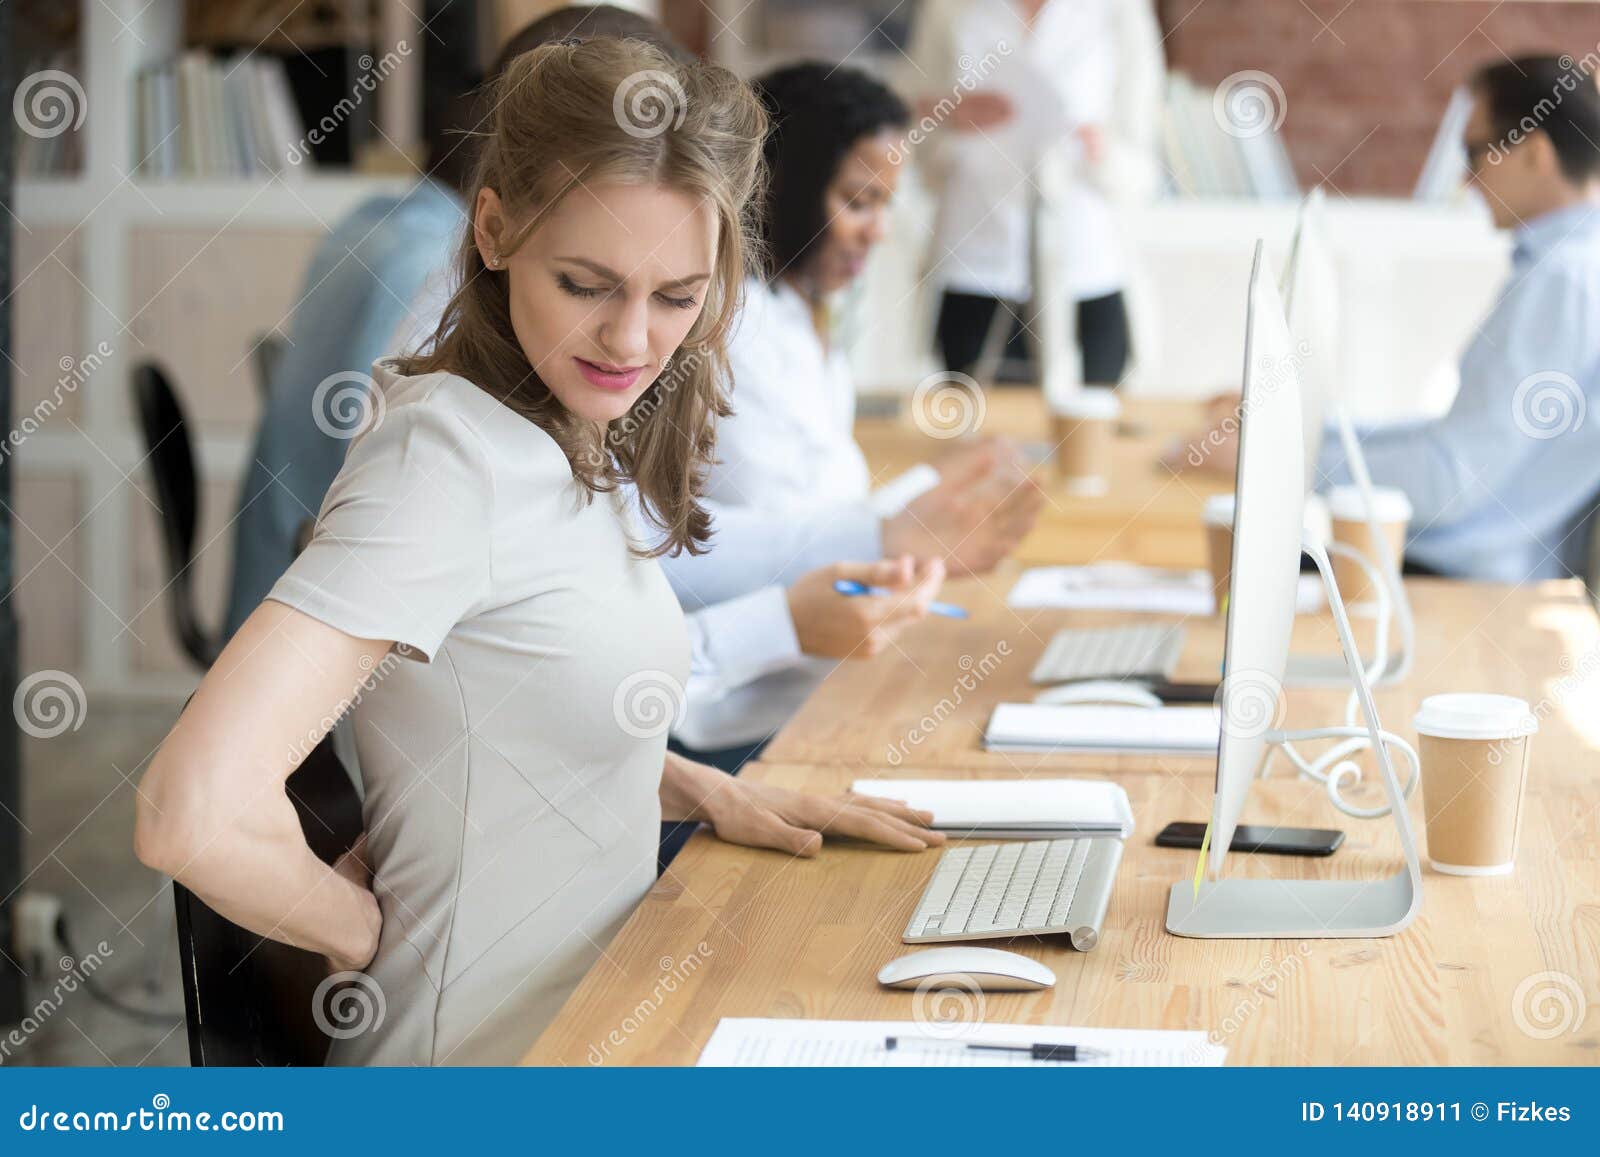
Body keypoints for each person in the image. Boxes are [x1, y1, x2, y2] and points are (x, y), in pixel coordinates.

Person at [134, 39, 944, 1067]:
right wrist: (359, 931)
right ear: (495, 229)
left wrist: (698, 785)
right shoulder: (445, 461)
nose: (631, 341)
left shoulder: (560, 431)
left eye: (675, 295)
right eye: (586, 283)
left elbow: (514, 710)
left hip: (597, 1020)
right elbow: (187, 811)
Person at [659, 62, 1046, 761]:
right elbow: (793, 538)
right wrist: (922, 508)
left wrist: (933, 489)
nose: (879, 231)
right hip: (735, 714)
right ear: (787, 188)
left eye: (886, 204)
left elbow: (834, 524)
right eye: (859, 201)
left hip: (810, 682)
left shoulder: (802, 312)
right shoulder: (730, 336)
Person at [1182, 56, 1600, 584]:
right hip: (1440, 559)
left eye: (1473, 152)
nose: (1466, 179)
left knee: (1195, 561)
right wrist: (1292, 431)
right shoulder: (1564, 267)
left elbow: (1449, 480)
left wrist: (1276, 458)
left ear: (1535, 154)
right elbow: (1452, 442)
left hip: (1457, 576)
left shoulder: (1565, 281)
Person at [904, 0, 1164, 386]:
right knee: (978, 430)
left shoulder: (1120, 11)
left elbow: (1145, 171)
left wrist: (1099, 149)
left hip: (1086, 265)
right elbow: (909, 132)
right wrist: (949, 115)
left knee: (1087, 428)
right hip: (974, 264)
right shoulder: (947, 9)